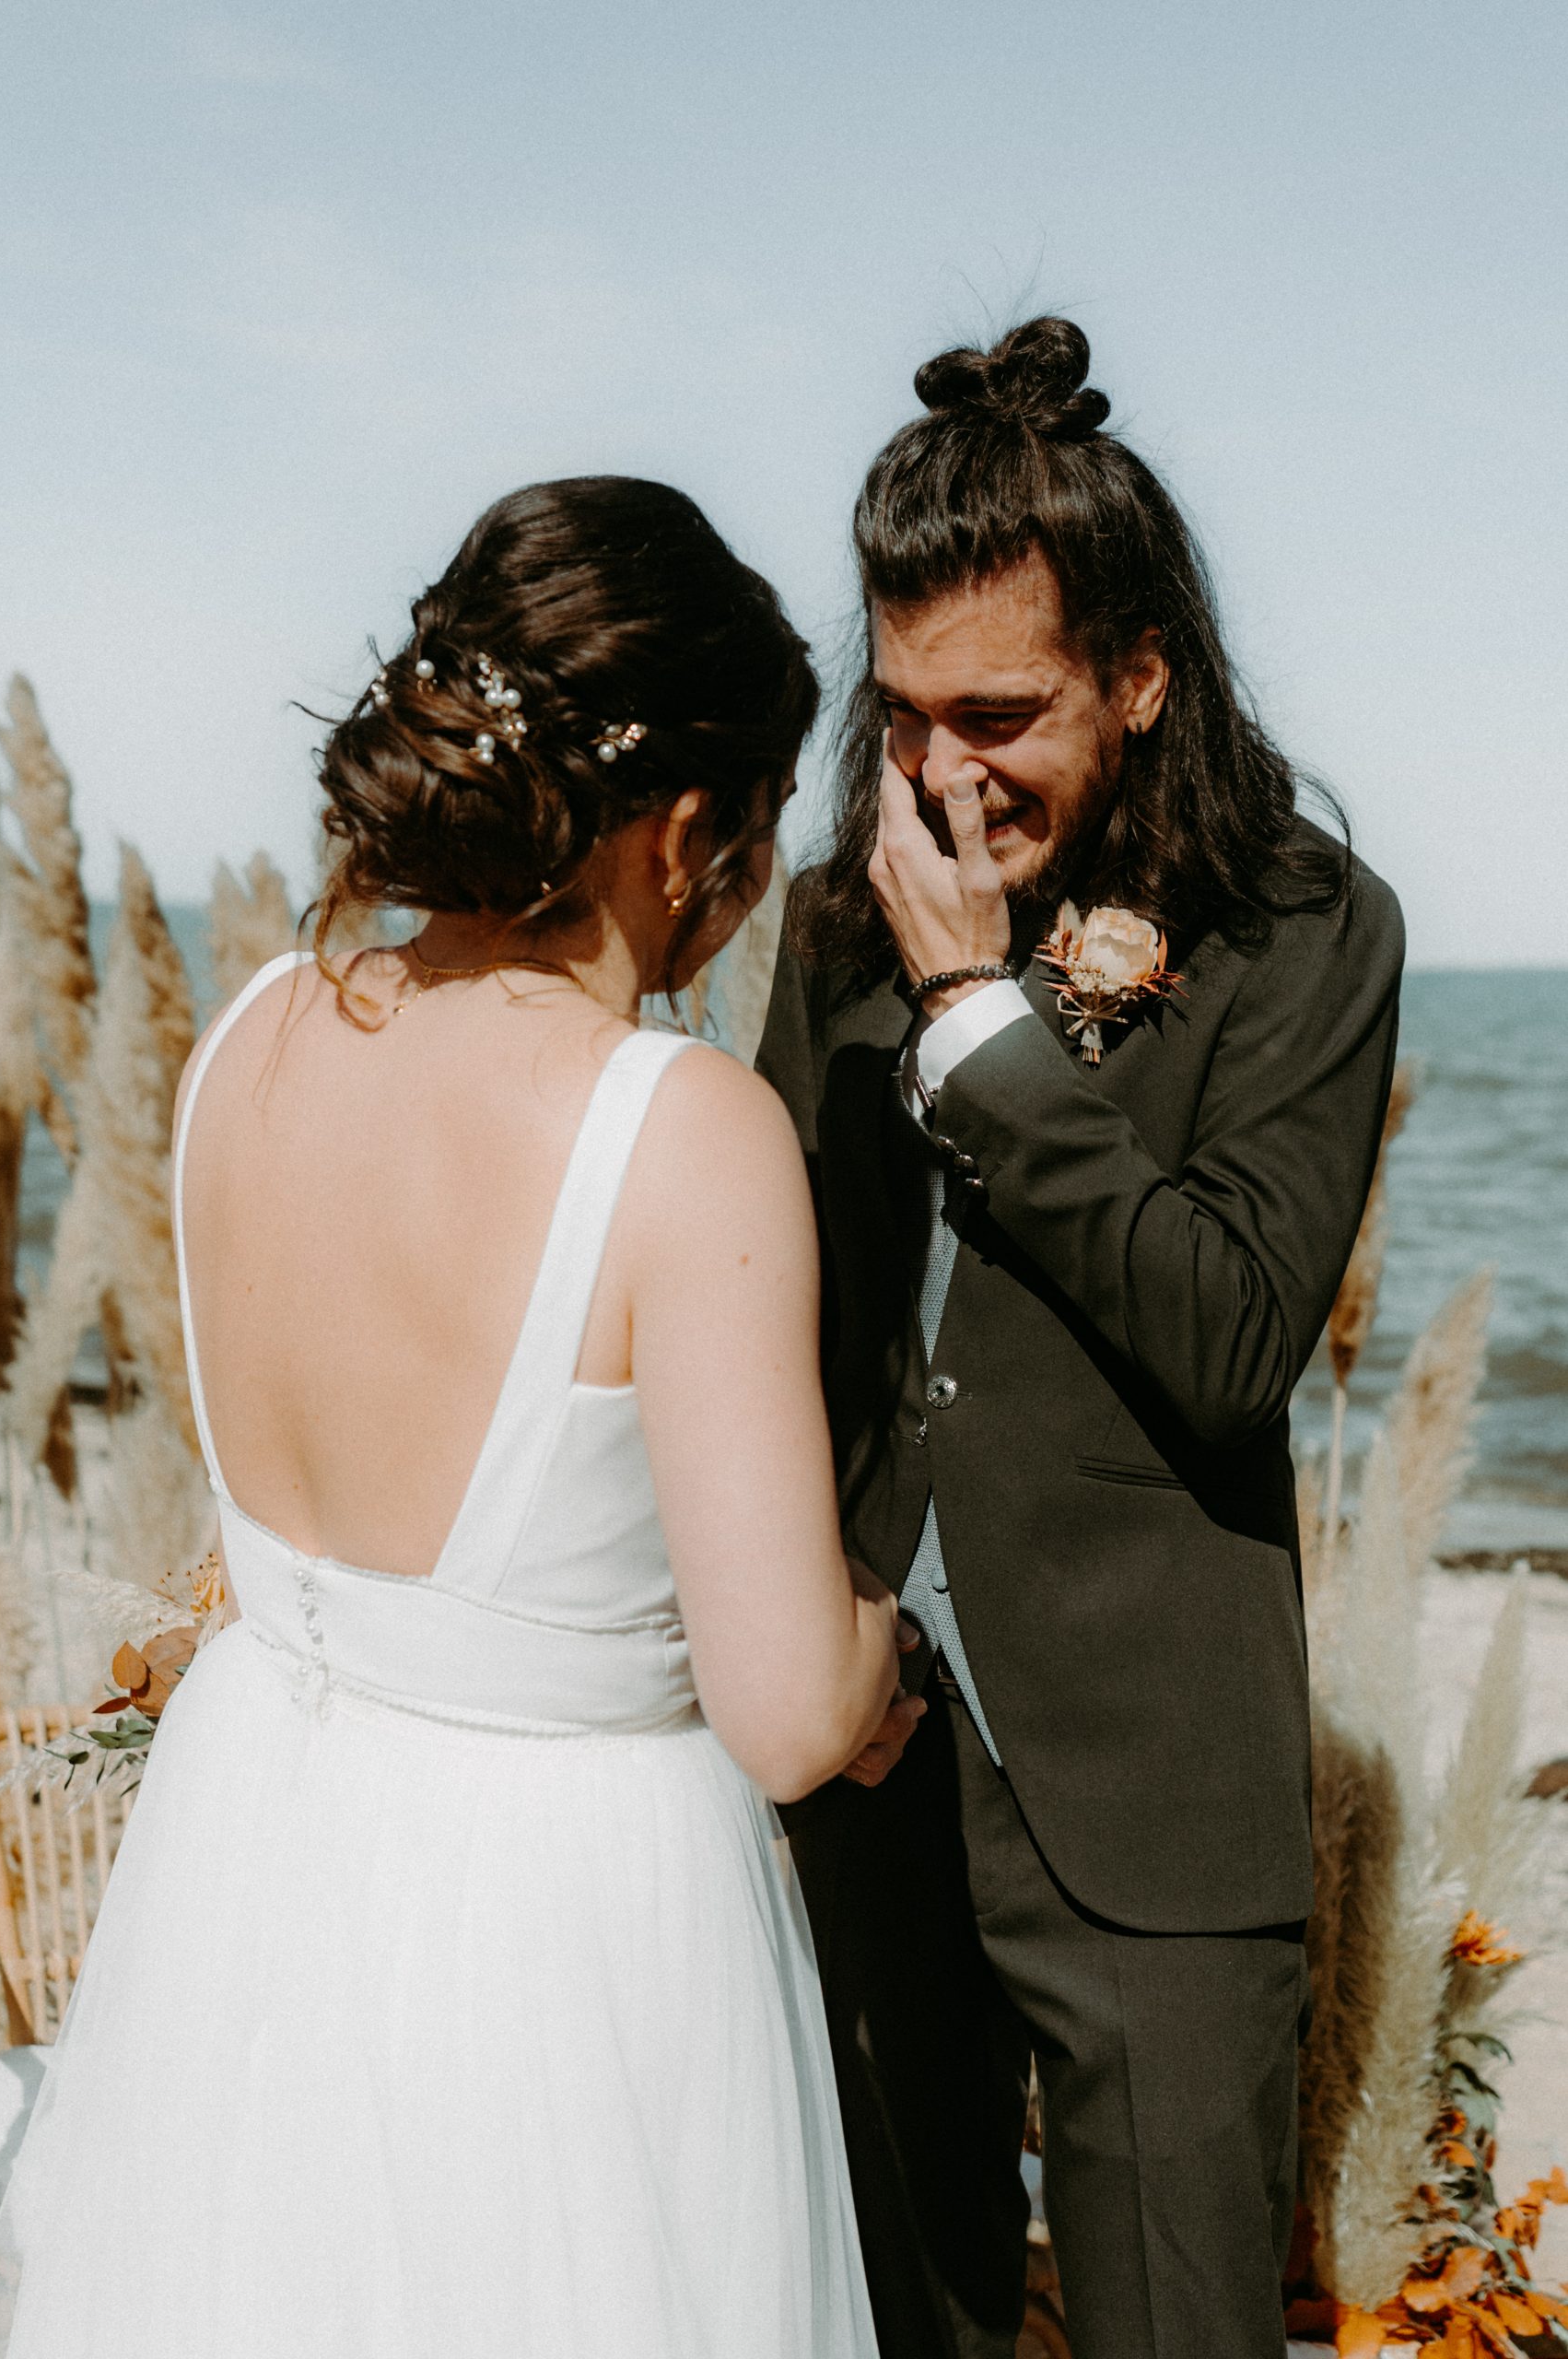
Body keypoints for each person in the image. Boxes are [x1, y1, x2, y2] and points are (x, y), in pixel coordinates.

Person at [0, 476, 906, 2356]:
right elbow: (789, 1710)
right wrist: (889, 1640)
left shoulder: (251, 1034)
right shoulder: (680, 1126)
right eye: (741, 835)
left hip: (253, 1857)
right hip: (560, 1944)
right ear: (678, 827)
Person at [756, 318, 1406, 2359]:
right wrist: (805, 1652)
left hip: (1152, 1796)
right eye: (900, 712)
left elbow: (1223, 1332)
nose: (940, 770)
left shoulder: (1310, 927)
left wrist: (978, 1028)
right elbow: (777, 1321)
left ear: (1136, 675)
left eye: (998, 710)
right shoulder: (830, 923)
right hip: (866, 1767)